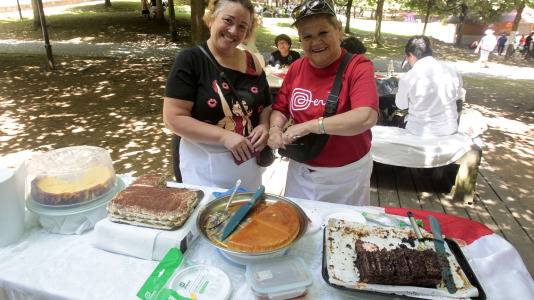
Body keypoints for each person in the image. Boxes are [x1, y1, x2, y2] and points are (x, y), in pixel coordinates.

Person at [267, 0, 379, 206]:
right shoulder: (296, 67)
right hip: (300, 170)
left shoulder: (358, 66)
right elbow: (280, 108)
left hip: (345, 176)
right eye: (307, 37)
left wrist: (310, 126)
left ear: (338, 30)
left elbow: (366, 116)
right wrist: (275, 129)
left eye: (323, 33)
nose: (316, 42)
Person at [163, 0, 272, 190]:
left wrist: (264, 125)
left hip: (247, 166)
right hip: (203, 166)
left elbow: (266, 103)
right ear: (211, 19)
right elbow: (173, 118)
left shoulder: (252, 61)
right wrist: (224, 137)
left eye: (242, 26)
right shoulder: (190, 60)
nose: (233, 31)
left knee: (249, 214)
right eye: (227, 21)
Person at [395, 35, 463, 136]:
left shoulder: (408, 77)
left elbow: (401, 105)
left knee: (395, 119)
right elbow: (457, 94)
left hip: (419, 130)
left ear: (411, 55)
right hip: (449, 128)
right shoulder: (452, 68)